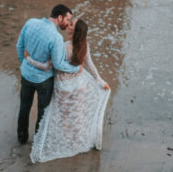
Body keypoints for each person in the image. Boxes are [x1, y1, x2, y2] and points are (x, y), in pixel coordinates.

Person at [24, 18, 111, 163]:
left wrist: (29, 59)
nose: (67, 25)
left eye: (71, 25)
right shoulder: (84, 45)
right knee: (77, 116)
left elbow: (47, 67)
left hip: (63, 88)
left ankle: (68, 144)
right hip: (80, 85)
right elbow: (90, 65)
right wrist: (100, 81)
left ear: (74, 31)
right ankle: (78, 142)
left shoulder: (63, 47)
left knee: (65, 118)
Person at [15, 4, 79, 144]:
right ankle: (38, 142)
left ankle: (21, 137)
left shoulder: (30, 22)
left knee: (24, 106)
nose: (68, 23)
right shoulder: (56, 38)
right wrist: (75, 68)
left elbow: (19, 46)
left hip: (26, 75)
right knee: (42, 112)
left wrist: (24, 64)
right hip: (44, 81)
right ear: (60, 17)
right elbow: (58, 64)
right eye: (67, 19)